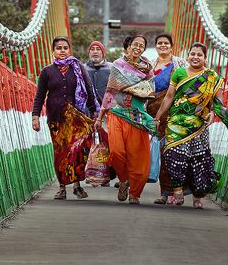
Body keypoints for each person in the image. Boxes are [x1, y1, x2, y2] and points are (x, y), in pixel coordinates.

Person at [153, 42, 228, 209]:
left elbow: (218, 102)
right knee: (174, 156)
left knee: (199, 160)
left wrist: (213, 114)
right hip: (176, 122)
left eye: (199, 55)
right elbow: (169, 97)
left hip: (199, 124)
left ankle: (197, 197)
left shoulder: (212, 77)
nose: (195, 57)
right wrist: (158, 117)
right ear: (188, 56)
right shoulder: (179, 73)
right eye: (192, 54)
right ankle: (177, 190)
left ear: (205, 58)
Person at [32, 36, 98, 200]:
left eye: (65, 48)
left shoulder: (78, 68)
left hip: (76, 117)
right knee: (60, 153)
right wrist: (35, 116)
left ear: (69, 50)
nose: (62, 51)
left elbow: (89, 90)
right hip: (56, 118)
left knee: (76, 151)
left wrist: (95, 113)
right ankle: (62, 188)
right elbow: (40, 96)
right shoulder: (47, 72)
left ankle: (76, 186)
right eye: (59, 48)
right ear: (53, 51)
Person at [94, 34, 156, 205]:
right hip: (117, 112)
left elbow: (150, 91)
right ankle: (123, 180)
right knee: (116, 152)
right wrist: (100, 117)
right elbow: (110, 91)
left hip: (137, 115)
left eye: (141, 45)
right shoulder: (118, 65)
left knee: (137, 158)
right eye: (135, 44)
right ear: (128, 46)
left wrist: (130, 89)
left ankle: (134, 193)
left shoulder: (148, 69)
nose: (138, 47)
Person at [145, 34, 187, 205]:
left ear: (171, 46)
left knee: (174, 152)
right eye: (160, 43)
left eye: (166, 43)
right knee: (161, 152)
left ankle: (177, 191)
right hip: (154, 115)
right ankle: (164, 193)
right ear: (156, 46)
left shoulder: (181, 64)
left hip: (175, 114)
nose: (163, 45)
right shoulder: (149, 66)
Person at [83, 40, 115, 186]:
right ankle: (93, 173)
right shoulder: (83, 69)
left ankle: (109, 174)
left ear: (103, 52)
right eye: (92, 49)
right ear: (89, 52)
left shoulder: (111, 68)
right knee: (89, 144)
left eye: (98, 49)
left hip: (108, 113)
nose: (95, 51)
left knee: (109, 144)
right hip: (88, 113)